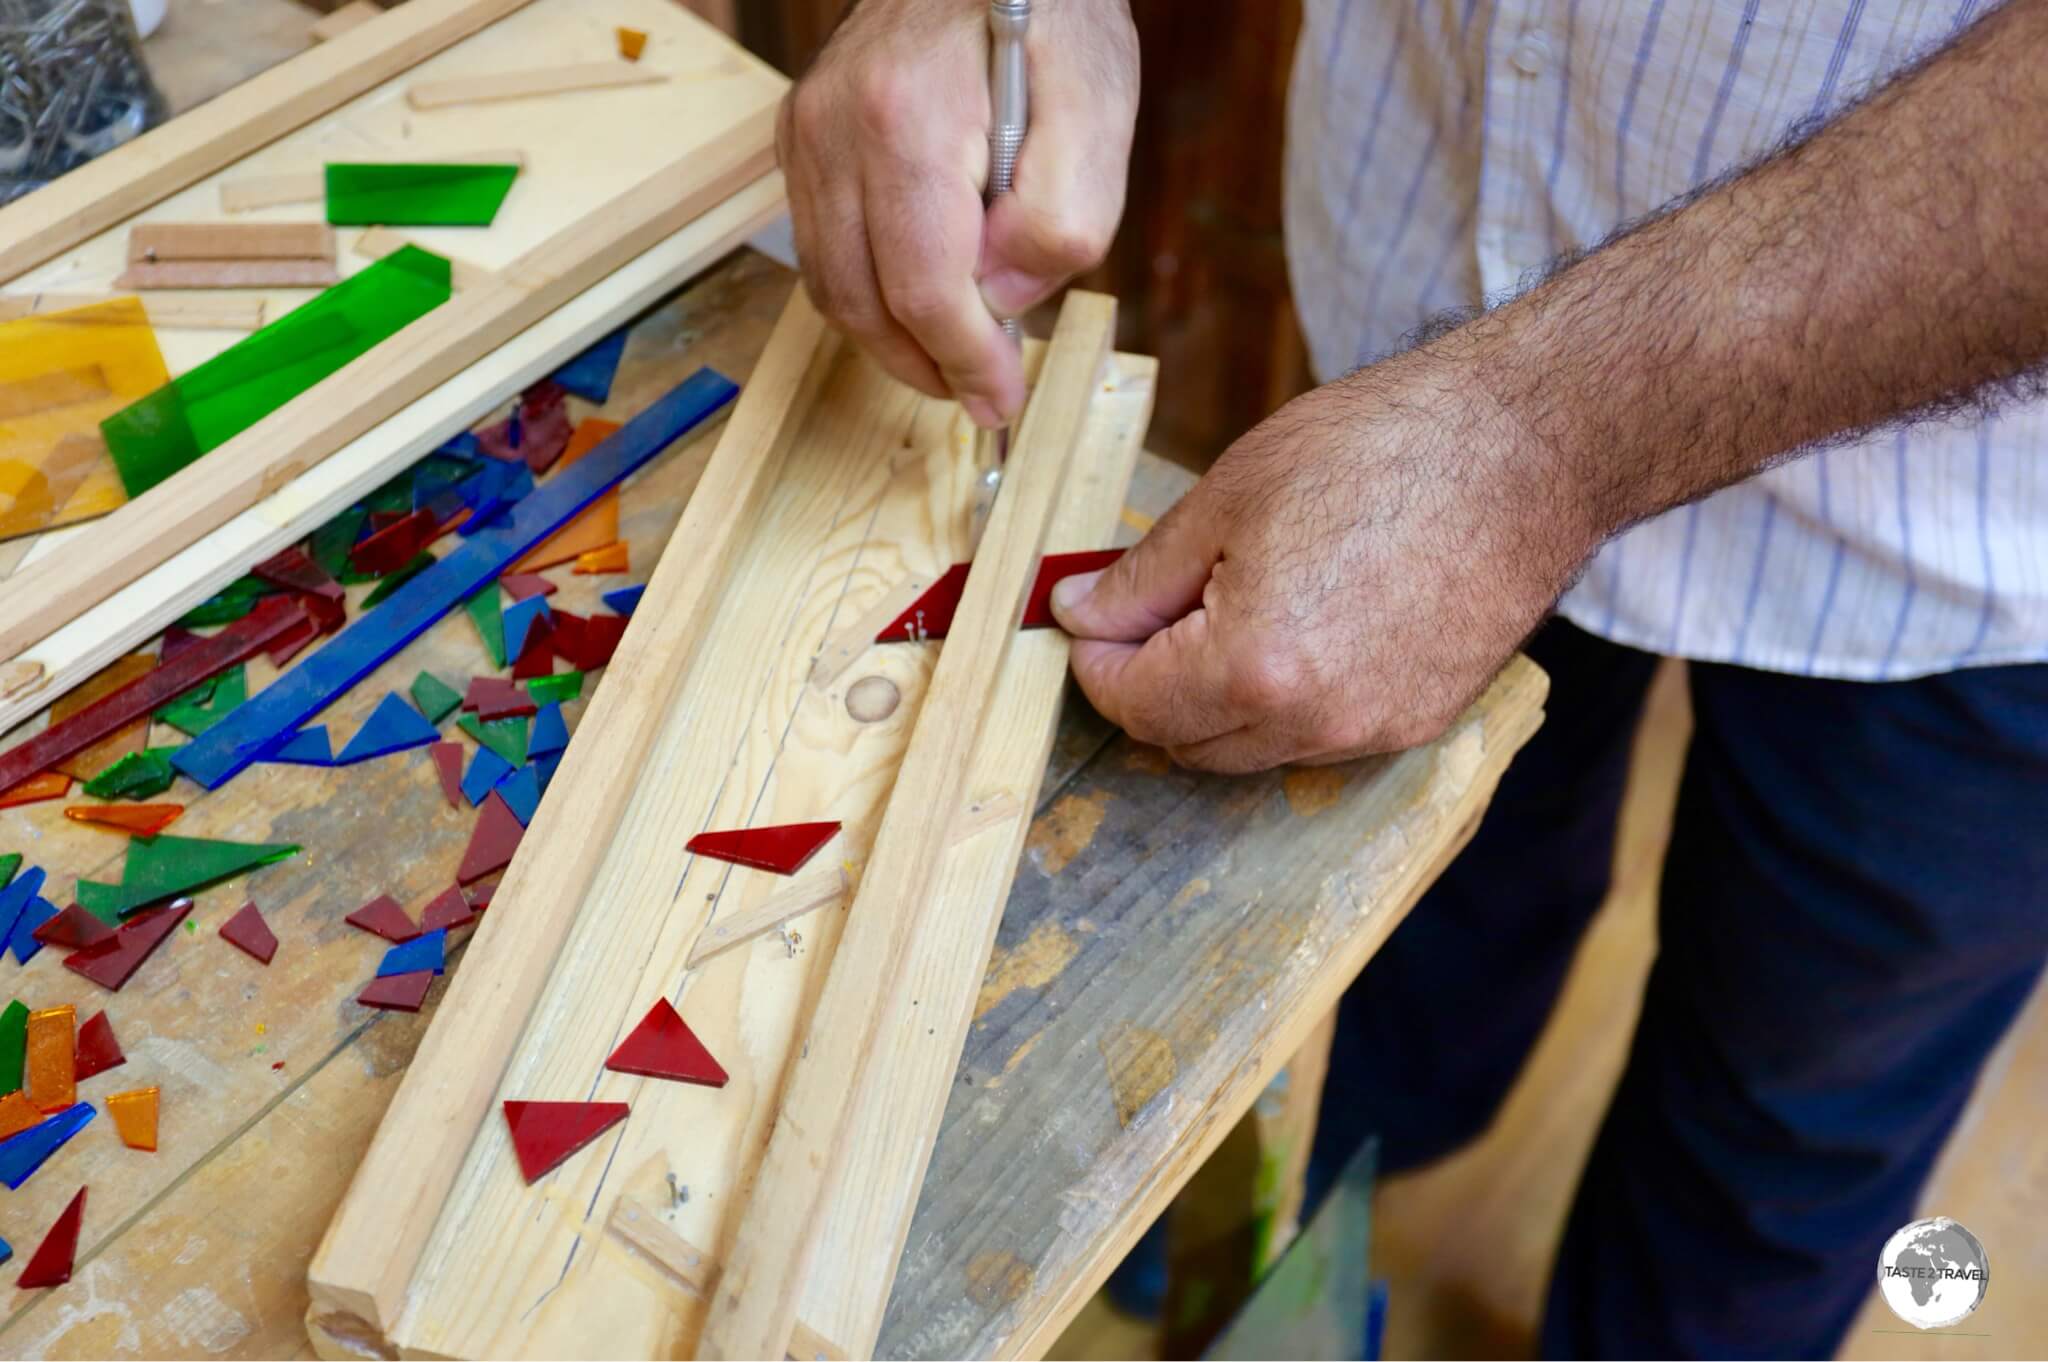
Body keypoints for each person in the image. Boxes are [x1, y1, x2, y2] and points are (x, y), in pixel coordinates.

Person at [776, 1, 2048, 1353]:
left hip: (1968, 524)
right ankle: (1238, 1266)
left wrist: (1541, 439)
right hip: (1423, 283)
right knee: (1384, 967)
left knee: (1781, 1150)